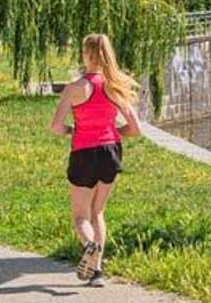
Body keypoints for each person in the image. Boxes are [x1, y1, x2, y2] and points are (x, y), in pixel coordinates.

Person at [49, 33, 143, 285]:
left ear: (86, 55)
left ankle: (90, 246)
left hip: (83, 152)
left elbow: (56, 127)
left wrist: (72, 130)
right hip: (110, 152)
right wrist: (114, 134)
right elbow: (135, 129)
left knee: (81, 216)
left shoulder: (75, 89)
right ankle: (97, 271)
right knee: (98, 212)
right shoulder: (116, 86)